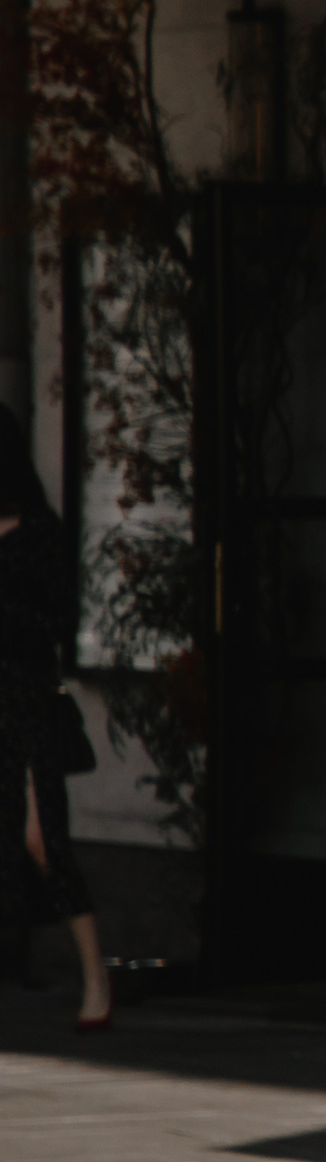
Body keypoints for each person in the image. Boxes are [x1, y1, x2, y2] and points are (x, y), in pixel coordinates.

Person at [0, 410, 109, 1030]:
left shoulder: (41, 533)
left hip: (26, 698)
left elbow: (57, 622)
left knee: (44, 841)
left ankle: (97, 977)